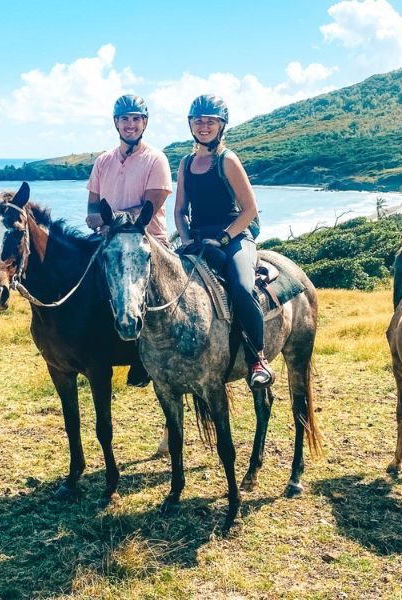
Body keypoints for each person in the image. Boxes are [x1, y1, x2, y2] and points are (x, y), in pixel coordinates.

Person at [174, 94, 273, 388]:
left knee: (242, 287)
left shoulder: (226, 160)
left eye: (210, 121)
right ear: (191, 124)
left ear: (221, 126)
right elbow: (180, 210)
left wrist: (224, 238)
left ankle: (257, 357)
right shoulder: (185, 163)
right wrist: (186, 238)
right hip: (199, 239)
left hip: (234, 237)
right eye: (198, 121)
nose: (204, 126)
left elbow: (250, 211)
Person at [86, 94, 173, 388]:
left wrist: (112, 218)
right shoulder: (103, 161)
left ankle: (143, 358)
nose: (130, 124)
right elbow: (91, 211)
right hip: (108, 240)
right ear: (116, 123)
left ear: (144, 123)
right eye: (125, 119)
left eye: (136, 119)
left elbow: (150, 208)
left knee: (138, 290)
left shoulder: (156, 159)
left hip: (148, 239)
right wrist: (105, 220)